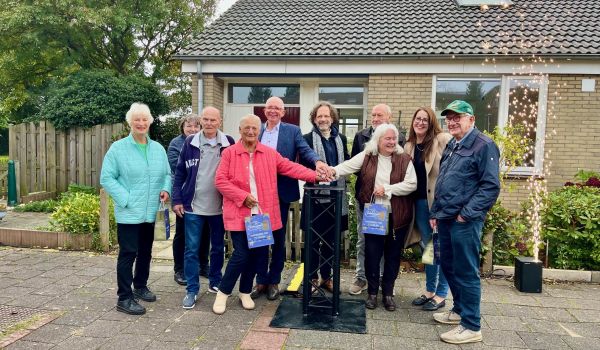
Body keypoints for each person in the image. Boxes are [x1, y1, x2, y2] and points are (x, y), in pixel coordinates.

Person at [212, 114, 330, 314]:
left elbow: (290, 167)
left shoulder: (268, 153)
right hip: (241, 213)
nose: (250, 132)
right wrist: (242, 196)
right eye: (246, 128)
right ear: (239, 130)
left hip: (262, 214)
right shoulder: (230, 153)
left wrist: (316, 175)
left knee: (257, 254)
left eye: (254, 129)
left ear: (260, 131)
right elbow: (221, 181)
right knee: (241, 254)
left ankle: (244, 291)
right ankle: (222, 293)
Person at [429, 100, 500, 344]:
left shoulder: (484, 145)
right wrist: (435, 214)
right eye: (449, 117)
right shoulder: (453, 144)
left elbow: (490, 186)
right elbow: (444, 181)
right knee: (449, 266)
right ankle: (458, 311)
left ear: (471, 119)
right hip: (446, 218)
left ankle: (471, 326)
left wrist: (465, 214)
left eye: (458, 116)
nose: (452, 121)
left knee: (466, 271)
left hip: (464, 221)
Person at [251, 96, 331, 301]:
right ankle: (260, 280)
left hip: (281, 193)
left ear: (283, 112)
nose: (273, 111)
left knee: (278, 239)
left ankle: (274, 281)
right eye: (270, 107)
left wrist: (318, 162)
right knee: (259, 238)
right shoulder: (255, 129)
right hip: (257, 194)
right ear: (264, 110)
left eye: (277, 108)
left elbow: (305, 151)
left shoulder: (292, 131)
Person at [332, 123, 416, 311]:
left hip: (397, 216)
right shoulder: (367, 157)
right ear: (377, 140)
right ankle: (371, 293)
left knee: (393, 256)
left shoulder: (404, 159)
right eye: (388, 138)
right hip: (374, 216)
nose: (392, 142)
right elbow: (346, 166)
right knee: (372, 254)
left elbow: (412, 184)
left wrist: (388, 189)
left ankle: (387, 293)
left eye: (394, 138)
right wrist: (330, 171)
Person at [100, 102, 171, 315]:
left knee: (146, 252)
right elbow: (107, 178)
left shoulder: (158, 148)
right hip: (129, 212)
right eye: (137, 120)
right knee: (128, 253)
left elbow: (167, 174)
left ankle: (140, 286)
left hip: (150, 212)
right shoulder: (118, 148)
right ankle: (124, 297)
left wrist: (166, 189)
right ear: (130, 122)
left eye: (144, 119)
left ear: (150, 122)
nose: (141, 123)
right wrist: (127, 199)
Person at [172, 106, 235, 309]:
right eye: (205, 120)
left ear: (220, 121)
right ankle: (192, 289)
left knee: (217, 248)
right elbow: (180, 173)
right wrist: (177, 200)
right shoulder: (190, 142)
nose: (208, 123)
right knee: (191, 250)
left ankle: (215, 283)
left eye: (212, 120)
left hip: (219, 207)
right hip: (193, 207)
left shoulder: (229, 143)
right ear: (201, 122)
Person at [348, 104, 407, 295]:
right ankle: (362, 277)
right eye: (372, 115)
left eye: (379, 115)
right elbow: (355, 165)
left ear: (389, 117)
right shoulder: (361, 137)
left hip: (391, 203)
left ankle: (382, 280)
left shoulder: (400, 139)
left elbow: (403, 169)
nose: (374, 118)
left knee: (387, 241)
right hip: (367, 200)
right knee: (365, 239)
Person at [404, 107, 452, 311]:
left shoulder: (442, 140)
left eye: (425, 119)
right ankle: (429, 290)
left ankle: (441, 294)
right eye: (418, 119)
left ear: (431, 122)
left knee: (439, 248)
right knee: (427, 247)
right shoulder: (409, 145)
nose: (420, 122)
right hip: (418, 204)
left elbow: (451, 170)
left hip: (436, 204)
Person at [300, 101, 350, 293]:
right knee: (312, 241)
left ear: (332, 118)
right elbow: (304, 165)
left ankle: (327, 277)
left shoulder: (342, 138)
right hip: (315, 199)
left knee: (331, 241)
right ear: (314, 118)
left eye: (326, 116)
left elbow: (345, 162)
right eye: (319, 116)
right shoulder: (306, 139)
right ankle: (311, 278)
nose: (322, 119)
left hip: (336, 199)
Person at [167, 114, 210, 286]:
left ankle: (203, 265)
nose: (192, 129)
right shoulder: (176, 144)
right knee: (183, 234)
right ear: (182, 127)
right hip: (185, 196)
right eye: (188, 126)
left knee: (205, 233)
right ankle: (180, 269)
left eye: (196, 126)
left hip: (204, 196)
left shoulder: (204, 141)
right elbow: (176, 168)